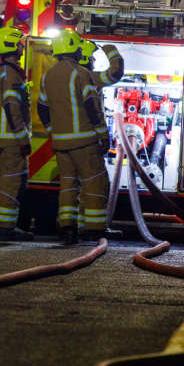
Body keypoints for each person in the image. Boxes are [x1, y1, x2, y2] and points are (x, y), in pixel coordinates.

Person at [37, 30, 117, 244]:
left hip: (61, 143)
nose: (82, 50)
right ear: (73, 48)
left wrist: (52, 130)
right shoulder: (81, 74)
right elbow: (93, 107)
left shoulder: (49, 75)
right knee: (95, 183)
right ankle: (94, 229)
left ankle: (67, 228)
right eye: (79, 46)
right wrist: (103, 134)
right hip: (84, 141)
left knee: (68, 185)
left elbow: (41, 107)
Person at [0, 26, 35, 241]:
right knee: (12, 183)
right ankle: (6, 230)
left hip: (3, 140)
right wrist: (23, 138)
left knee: (11, 182)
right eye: (20, 44)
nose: (22, 48)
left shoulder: (1, 72)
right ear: (11, 45)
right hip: (12, 141)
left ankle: (8, 227)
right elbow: (12, 109)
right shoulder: (9, 74)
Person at [76, 38, 124, 234]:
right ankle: (95, 228)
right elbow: (115, 73)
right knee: (97, 184)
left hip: (68, 140)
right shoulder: (89, 78)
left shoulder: (60, 77)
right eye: (94, 59)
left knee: (75, 186)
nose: (95, 63)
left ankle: (75, 226)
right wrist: (110, 49)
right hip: (88, 140)